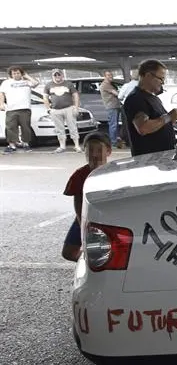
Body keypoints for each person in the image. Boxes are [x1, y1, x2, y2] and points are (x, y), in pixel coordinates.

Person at [61, 131, 113, 261]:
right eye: (90, 150)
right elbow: (78, 202)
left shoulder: (115, 173)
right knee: (69, 252)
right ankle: (87, 265)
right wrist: (83, 225)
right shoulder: (79, 175)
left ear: (108, 151)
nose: (94, 155)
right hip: (85, 217)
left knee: (103, 255)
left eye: (99, 150)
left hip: (110, 219)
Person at [123, 59, 177, 157]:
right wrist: (168, 117)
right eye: (161, 78)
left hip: (162, 156)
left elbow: (160, 123)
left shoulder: (153, 98)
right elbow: (143, 128)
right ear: (148, 76)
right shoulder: (136, 98)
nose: (163, 82)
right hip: (149, 159)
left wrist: (173, 118)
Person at [0, 66, 38, 153]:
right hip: (11, 109)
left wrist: (26, 75)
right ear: (11, 75)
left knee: (26, 127)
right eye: (14, 73)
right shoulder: (6, 83)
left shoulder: (27, 82)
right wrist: (1, 104)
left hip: (25, 108)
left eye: (18, 73)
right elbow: (1, 94)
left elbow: (36, 83)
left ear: (21, 73)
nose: (16, 75)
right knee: (11, 127)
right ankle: (12, 145)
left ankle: (26, 144)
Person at [43, 69, 82, 153]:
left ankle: (77, 145)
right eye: (55, 75)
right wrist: (48, 109)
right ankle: (62, 146)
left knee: (73, 127)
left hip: (69, 108)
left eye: (59, 75)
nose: (57, 76)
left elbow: (75, 95)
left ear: (62, 75)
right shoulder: (48, 85)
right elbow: (45, 97)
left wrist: (76, 107)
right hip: (55, 110)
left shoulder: (68, 84)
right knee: (59, 129)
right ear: (53, 76)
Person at [100, 70, 124, 148]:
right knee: (113, 124)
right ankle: (113, 142)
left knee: (115, 124)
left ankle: (116, 140)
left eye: (111, 75)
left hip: (114, 106)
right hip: (111, 106)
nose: (110, 76)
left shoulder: (109, 84)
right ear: (104, 76)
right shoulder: (106, 85)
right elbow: (117, 94)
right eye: (108, 75)